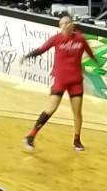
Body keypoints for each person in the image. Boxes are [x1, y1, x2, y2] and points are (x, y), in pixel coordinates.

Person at [21, 16, 98, 152]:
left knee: (77, 112)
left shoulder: (80, 38)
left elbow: (90, 52)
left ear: (72, 24)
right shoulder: (56, 39)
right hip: (61, 80)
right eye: (62, 24)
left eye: (67, 23)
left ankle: (77, 140)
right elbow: (41, 49)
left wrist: (96, 63)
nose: (65, 26)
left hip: (75, 80)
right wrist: (27, 56)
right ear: (60, 26)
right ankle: (31, 136)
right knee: (51, 108)